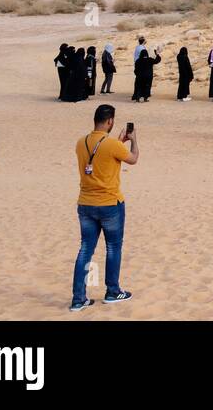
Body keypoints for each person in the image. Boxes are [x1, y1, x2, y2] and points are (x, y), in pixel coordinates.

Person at [70, 103, 137, 311]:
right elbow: (133, 159)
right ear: (110, 121)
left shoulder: (81, 143)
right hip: (109, 203)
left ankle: (78, 298)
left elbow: (101, 157)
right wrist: (133, 140)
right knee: (113, 247)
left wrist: (117, 142)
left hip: (86, 203)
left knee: (85, 249)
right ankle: (112, 290)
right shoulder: (112, 145)